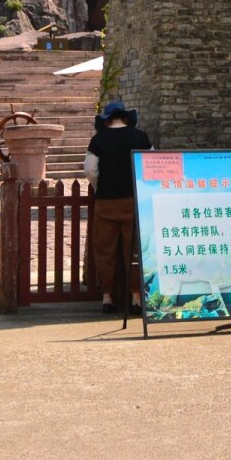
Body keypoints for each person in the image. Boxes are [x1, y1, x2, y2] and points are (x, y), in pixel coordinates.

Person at [85, 99, 153, 315]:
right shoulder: (141, 138)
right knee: (134, 250)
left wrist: (99, 187)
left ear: (106, 120)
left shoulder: (98, 140)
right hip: (134, 202)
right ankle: (136, 297)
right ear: (125, 118)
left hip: (106, 203)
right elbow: (151, 167)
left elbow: (90, 170)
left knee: (105, 249)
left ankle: (107, 296)